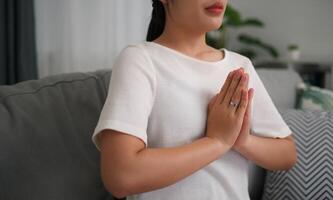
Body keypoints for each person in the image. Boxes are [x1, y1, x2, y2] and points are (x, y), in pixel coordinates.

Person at [91, 0, 297, 199]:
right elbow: (121, 177)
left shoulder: (240, 65)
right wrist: (217, 142)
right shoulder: (140, 60)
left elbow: (287, 154)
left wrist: (243, 141)